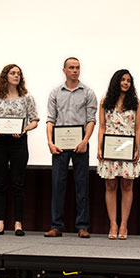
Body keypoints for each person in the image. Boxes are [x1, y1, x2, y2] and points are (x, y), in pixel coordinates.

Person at [44, 57, 97, 238]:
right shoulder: (55, 93)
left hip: (80, 144)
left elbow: (91, 120)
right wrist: (50, 143)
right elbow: (50, 120)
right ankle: (56, 226)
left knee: (82, 185)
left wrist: (85, 141)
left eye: (78, 68)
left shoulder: (88, 92)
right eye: (71, 68)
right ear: (64, 70)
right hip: (59, 144)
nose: (75, 70)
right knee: (58, 185)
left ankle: (82, 226)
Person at [0, 64, 39, 236]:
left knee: (18, 184)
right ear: (5, 76)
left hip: (19, 143)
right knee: (0, 184)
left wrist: (24, 129)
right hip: (0, 142)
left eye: (19, 74)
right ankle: (0, 224)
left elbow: (35, 120)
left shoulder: (26, 97)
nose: (16, 76)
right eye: (13, 73)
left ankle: (18, 224)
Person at [97, 69, 140, 240]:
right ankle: (113, 224)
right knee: (110, 186)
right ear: (116, 82)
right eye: (122, 80)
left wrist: (137, 148)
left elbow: (137, 128)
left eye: (128, 80)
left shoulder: (136, 103)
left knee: (127, 186)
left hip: (128, 149)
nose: (125, 83)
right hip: (110, 149)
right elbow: (102, 127)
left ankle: (123, 224)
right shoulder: (104, 102)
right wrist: (99, 148)